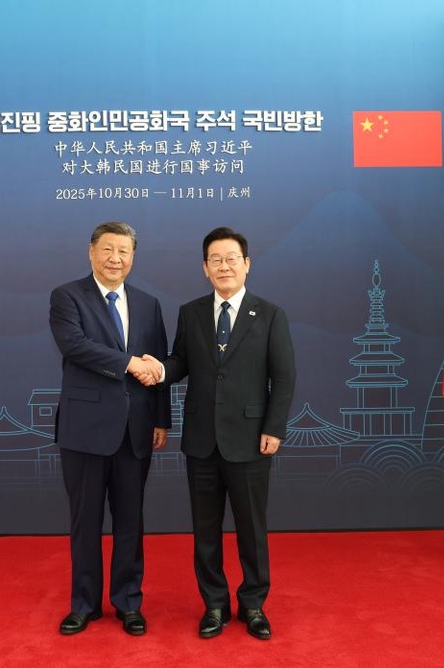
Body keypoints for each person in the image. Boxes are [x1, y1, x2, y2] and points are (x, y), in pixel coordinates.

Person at [156, 226, 296, 640]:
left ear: (247, 264)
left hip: (252, 439)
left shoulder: (269, 314)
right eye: (215, 259)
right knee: (205, 529)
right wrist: (159, 369)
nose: (224, 266)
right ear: (204, 268)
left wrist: (274, 427)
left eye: (231, 258)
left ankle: (253, 604)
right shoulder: (191, 312)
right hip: (201, 440)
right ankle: (214, 604)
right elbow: (180, 362)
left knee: (252, 528)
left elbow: (284, 377)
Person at [49, 221, 169, 637]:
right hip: (84, 430)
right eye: (108, 250)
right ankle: (84, 604)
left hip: (136, 430)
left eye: (124, 251)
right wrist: (129, 363)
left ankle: (128, 603)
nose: (115, 258)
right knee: (85, 521)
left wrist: (161, 420)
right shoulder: (67, 297)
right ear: (91, 252)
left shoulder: (149, 304)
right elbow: (75, 346)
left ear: (133, 257)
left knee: (130, 521)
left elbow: (159, 366)